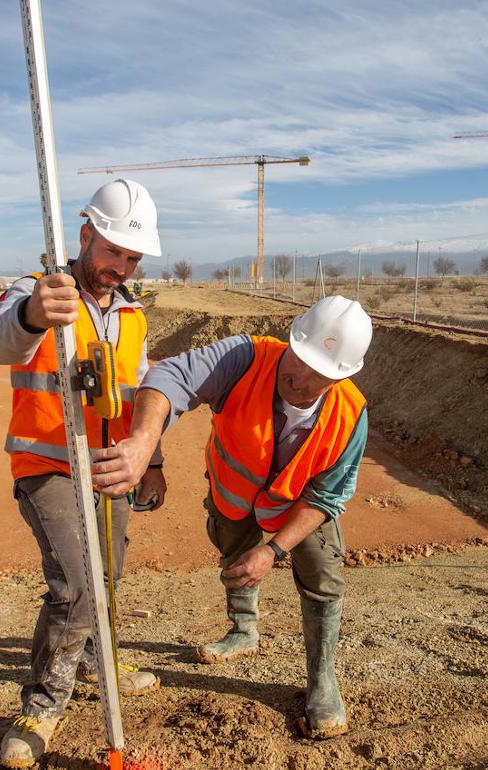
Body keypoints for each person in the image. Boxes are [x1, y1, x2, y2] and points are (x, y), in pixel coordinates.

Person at [92, 295, 373, 739]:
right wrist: (147, 447)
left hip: (298, 508)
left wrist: (275, 549)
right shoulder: (246, 358)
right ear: (292, 340)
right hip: (233, 492)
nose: (297, 377)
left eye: (317, 374)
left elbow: (327, 496)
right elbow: (169, 375)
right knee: (234, 553)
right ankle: (243, 630)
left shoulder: (350, 416)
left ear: (340, 375)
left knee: (322, 573)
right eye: (297, 358)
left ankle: (322, 680)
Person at [0, 178, 167, 769]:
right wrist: (34, 315)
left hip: (109, 467)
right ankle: (41, 705)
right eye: (113, 250)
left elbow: (139, 391)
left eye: (132, 256)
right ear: (85, 236)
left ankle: (96, 664)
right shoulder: (37, 290)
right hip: (48, 465)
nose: (122, 265)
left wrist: (153, 458)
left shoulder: (133, 314)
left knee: (107, 577)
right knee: (77, 587)